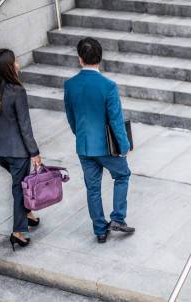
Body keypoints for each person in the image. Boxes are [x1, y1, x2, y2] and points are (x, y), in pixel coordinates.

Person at [64, 37, 135, 243]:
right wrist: (124, 146)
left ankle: (100, 231)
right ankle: (117, 218)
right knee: (122, 175)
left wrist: (81, 136)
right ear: (100, 58)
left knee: (92, 188)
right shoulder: (108, 86)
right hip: (106, 147)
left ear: (80, 59)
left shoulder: (70, 85)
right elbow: (116, 120)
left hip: (84, 146)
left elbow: (71, 117)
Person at [0, 49, 42, 251]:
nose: (17, 65)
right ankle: (18, 232)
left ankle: (27, 213)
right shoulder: (17, 91)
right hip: (17, 153)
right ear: (8, 67)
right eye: (14, 62)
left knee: (20, 183)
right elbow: (25, 126)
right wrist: (34, 152)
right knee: (19, 188)